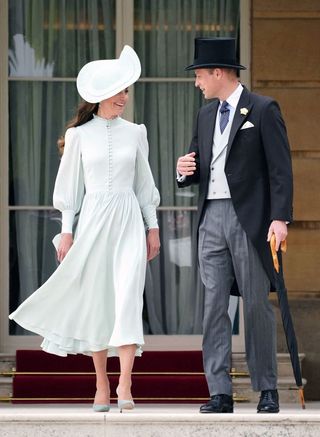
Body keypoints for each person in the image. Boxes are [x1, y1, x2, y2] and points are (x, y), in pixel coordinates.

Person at [9, 45, 160, 413]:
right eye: (120, 90)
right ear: (103, 94)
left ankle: (125, 381)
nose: (125, 97)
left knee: (127, 299)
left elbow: (144, 185)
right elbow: (69, 190)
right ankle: (101, 384)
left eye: (127, 90)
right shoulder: (78, 136)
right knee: (97, 303)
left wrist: (151, 227)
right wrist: (66, 230)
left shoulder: (135, 133)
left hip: (127, 222)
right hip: (92, 222)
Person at [176, 37, 293, 414]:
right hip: (211, 218)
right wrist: (183, 172)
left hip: (250, 220)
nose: (197, 82)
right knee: (213, 306)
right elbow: (198, 163)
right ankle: (220, 392)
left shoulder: (262, 108)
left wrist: (279, 218)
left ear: (217, 72)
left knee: (256, 304)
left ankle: (267, 389)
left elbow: (280, 168)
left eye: (199, 75)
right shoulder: (205, 114)